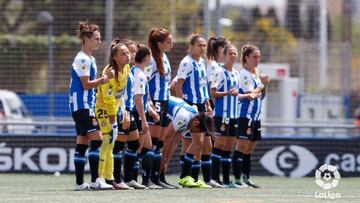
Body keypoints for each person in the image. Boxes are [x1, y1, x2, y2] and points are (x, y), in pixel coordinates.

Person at [69, 21, 114, 191]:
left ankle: (80, 183)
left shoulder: (90, 59)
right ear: (86, 39)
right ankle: (95, 180)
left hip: (85, 106)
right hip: (82, 106)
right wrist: (104, 79)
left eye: (99, 38)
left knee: (82, 143)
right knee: (98, 139)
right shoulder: (82, 59)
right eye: (96, 38)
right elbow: (86, 84)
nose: (99, 41)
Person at [174, 34, 220, 188]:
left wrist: (207, 103)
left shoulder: (202, 62)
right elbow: (178, 85)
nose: (202, 48)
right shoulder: (186, 62)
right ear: (191, 46)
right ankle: (184, 176)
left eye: (204, 45)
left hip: (202, 106)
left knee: (207, 145)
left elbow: (202, 86)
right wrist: (184, 106)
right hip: (191, 106)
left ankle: (198, 179)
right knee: (197, 142)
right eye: (199, 45)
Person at [95, 38, 133, 190]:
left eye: (128, 53)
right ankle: (99, 178)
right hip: (103, 110)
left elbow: (121, 94)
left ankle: (110, 179)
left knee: (111, 144)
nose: (128, 56)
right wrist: (112, 117)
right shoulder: (108, 72)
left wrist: (123, 113)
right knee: (105, 143)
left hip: (115, 111)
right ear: (115, 57)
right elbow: (108, 97)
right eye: (123, 54)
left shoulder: (126, 68)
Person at [234, 43, 270, 188]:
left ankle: (245, 177)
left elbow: (261, 96)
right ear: (246, 58)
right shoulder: (244, 74)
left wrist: (264, 86)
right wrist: (261, 85)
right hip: (245, 116)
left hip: (255, 117)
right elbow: (250, 95)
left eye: (259, 57)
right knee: (241, 147)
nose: (257, 59)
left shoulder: (255, 74)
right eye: (254, 56)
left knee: (249, 149)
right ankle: (236, 180)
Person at [163, 96, 215, 188]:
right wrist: (164, 160)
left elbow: (175, 141)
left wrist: (166, 161)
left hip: (167, 110)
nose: (196, 133)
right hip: (158, 107)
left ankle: (185, 177)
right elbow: (167, 139)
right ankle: (155, 179)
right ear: (196, 123)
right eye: (198, 131)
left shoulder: (192, 120)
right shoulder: (184, 118)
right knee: (155, 143)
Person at [131, 44, 162, 189]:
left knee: (146, 146)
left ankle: (141, 179)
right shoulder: (140, 75)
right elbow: (137, 99)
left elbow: (142, 98)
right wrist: (144, 120)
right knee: (138, 148)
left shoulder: (135, 72)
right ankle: (132, 178)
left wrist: (151, 110)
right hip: (136, 113)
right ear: (146, 57)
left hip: (138, 111)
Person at [146, 27, 173, 188]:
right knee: (152, 143)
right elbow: (145, 81)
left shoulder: (165, 57)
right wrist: (149, 104)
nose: (172, 44)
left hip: (164, 102)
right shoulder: (152, 59)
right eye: (168, 42)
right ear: (159, 44)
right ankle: (146, 178)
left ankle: (158, 178)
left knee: (160, 144)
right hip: (155, 102)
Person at [210, 44, 241, 188]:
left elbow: (237, 94)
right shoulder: (220, 72)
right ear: (225, 55)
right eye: (231, 54)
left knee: (229, 147)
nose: (233, 56)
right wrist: (227, 93)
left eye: (235, 54)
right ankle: (215, 178)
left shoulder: (236, 73)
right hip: (222, 115)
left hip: (234, 115)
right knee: (219, 145)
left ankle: (227, 180)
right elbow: (213, 92)